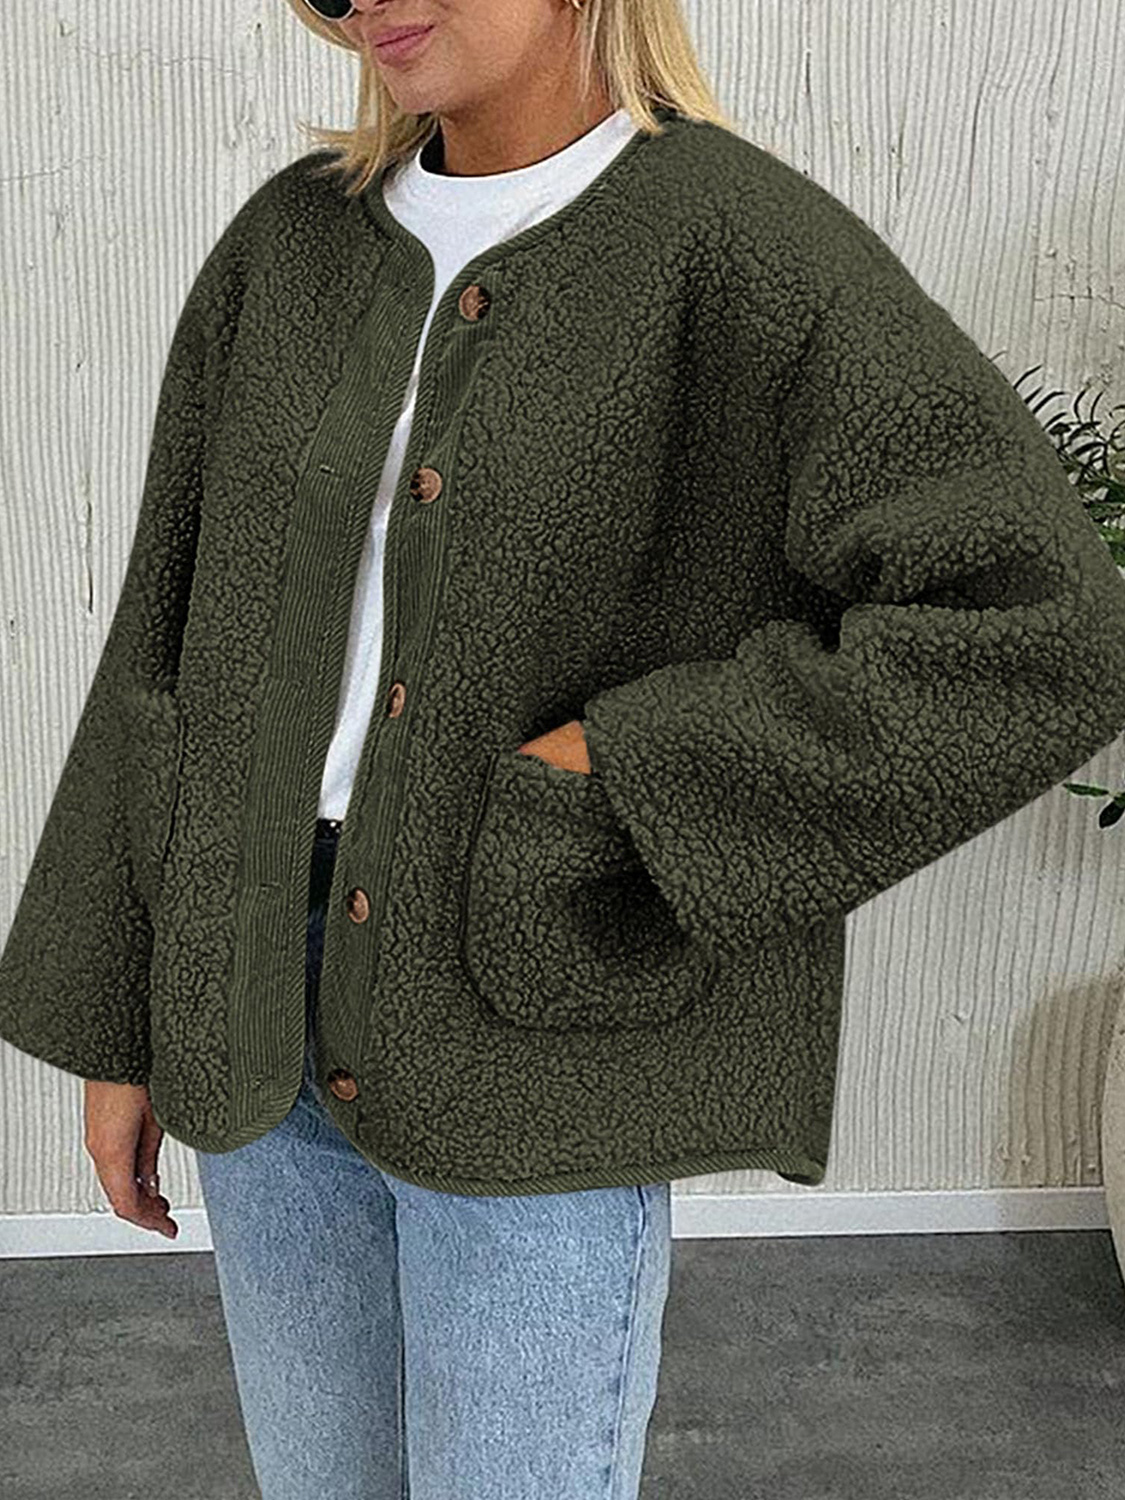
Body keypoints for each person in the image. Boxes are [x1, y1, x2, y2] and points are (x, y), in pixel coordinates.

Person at [5, 0, 1125, 1496]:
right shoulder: (289, 244)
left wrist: (623, 771)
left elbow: (1043, 626)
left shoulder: (739, 249)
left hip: (531, 1026)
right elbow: (168, 631)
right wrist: (122, 1016)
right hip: (254, 1007)